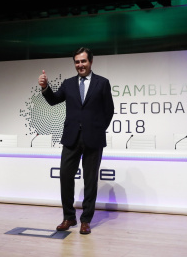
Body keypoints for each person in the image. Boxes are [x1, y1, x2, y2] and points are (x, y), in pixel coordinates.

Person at [38, 47, 114, 234]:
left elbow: (109, 110)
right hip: (71, 138)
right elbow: (54, 100)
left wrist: (97, 129)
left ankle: (86, 220)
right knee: (65, 177)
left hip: (93, 139)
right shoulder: (69, 83)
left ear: (90, 62)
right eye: (77, 62)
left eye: (83, 61)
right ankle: (69, 217)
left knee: (90, 181)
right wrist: (45, 88)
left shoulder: (102, 83)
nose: (80, 65)